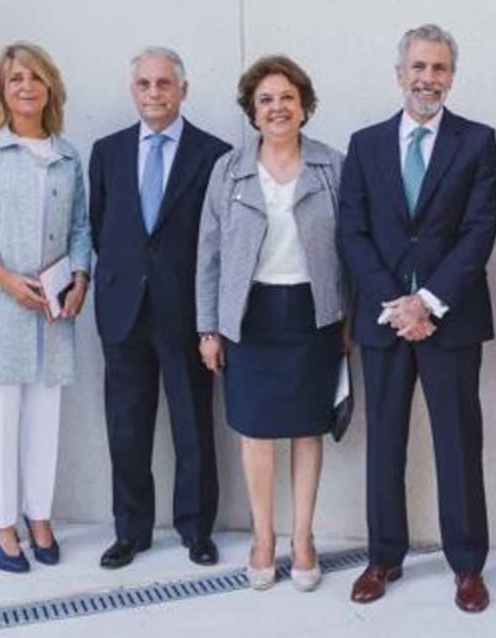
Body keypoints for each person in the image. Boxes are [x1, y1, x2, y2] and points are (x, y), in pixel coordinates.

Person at [338, 24, 496, 613]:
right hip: (384, 321)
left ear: (452, 76)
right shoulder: (366, 143)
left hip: (448, 320)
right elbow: (352, 232)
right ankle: (383, 558)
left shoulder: (478, 141)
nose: (428, 79)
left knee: (459, 442)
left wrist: (427, 302)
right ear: (399, 72)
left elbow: (480, 230)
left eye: (439, 69)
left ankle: (467, 567)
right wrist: (394, 304)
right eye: (418, 68)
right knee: (385, 442)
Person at [195, 55, 346, 592]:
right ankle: (264, 538)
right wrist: (208, 327)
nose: (277, 107)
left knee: (309, 429)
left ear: (304, 106)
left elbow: (351, 247)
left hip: (313, 314)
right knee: (255, 433)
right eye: (266, 99)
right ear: (252, 111)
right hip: (249, 317)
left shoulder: (333, 165)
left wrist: (347, 318)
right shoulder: (228, 169)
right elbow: (208, 253)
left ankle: (303, 539)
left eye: (287, 97)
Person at [89, 47, 231, 570]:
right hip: (123, 308)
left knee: (193, 423)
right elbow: (103, 225)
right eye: (144, 84)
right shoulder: (106, 152)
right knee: (126, 425)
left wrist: (210, 318)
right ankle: (131, 531)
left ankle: (196, 529)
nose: (154, 93)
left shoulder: (214, 153)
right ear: (134, 91)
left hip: (186, 312)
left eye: (164, 84)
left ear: (183, 89)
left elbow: (216, 239)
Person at [0, 41, 92, 573]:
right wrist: (4, 278)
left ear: (50, 85)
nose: (27, 86)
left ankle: (39, 515)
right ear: (2, 90)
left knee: (44, 416)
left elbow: (81, 226)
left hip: (54, 309)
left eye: (35, 77)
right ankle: (0, 521)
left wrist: (80, 277)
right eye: (16, 79)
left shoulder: (67, 154)